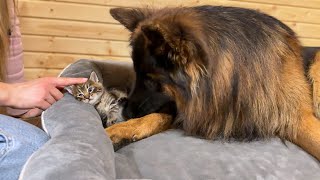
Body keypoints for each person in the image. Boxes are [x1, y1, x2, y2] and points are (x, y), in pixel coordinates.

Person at [0, 0, 87, 179]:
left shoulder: (7, 9)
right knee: (29, 148)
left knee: (53, 146)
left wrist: (30, 104)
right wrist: (10, 93)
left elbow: (14, 88)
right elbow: (11, 92)